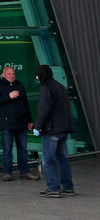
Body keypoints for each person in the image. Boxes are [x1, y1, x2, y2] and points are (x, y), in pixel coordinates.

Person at [33, 65, 76, 197]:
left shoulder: (46, 88)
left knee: (48, 160)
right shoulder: (60, 86)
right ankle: (68, 187)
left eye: (37, 74)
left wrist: (38, 127)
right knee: (62, 159)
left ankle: (53, 189)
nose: (36, 77)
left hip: (52, 130)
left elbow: (44, 110)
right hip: (64, 129)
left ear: (41, 75)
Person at [0, 65, 38, 181]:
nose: (11, 76)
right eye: (9, 74)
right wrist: (9, 97)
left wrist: (30, 120)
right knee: (7, 148)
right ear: (3, 75)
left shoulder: (19, 85)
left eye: (13, 74)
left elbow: (25, 103)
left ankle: (25, 172)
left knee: (23, 148)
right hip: (6, 123)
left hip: (21, 122)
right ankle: (7, 172)